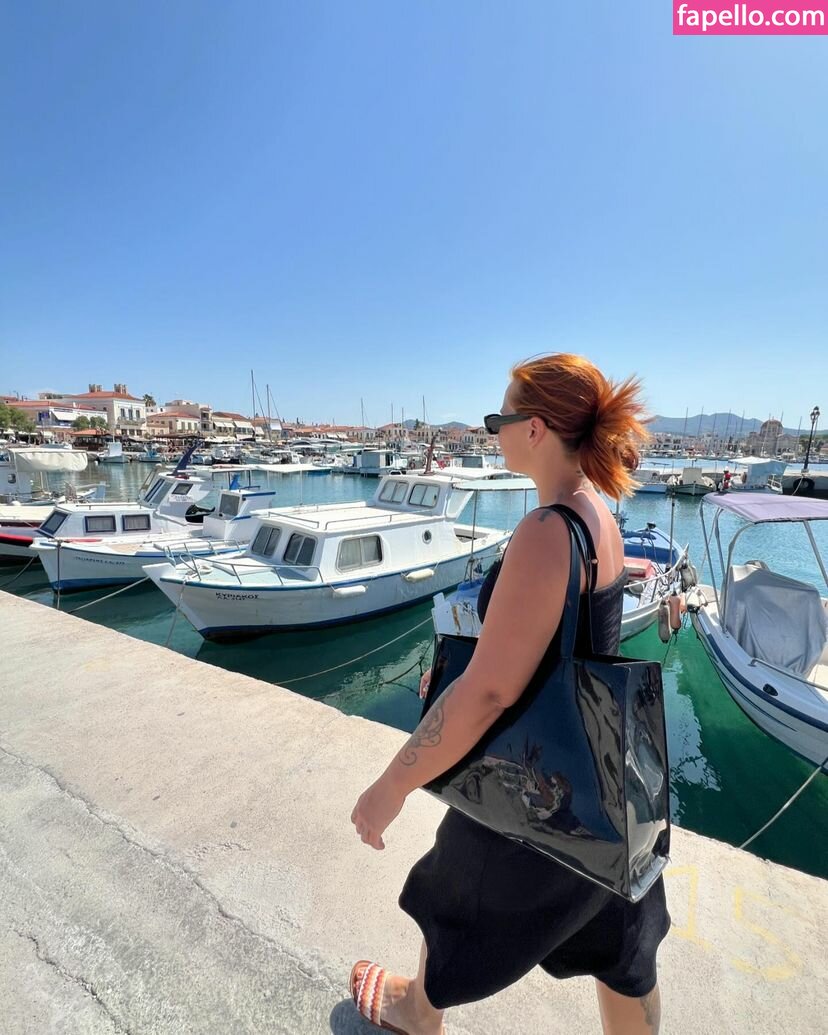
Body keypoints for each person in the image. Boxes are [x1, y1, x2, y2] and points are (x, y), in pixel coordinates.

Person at [350, 353, 670, 1035]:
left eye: (500, 417)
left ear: (536, 428)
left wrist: (391, 785)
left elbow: (491, 691)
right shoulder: (598, 517)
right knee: (620, 946)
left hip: (537, 784)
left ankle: (417, 1012)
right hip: (601, 787)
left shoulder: (546, 532)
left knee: (453, 894)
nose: (492, 429)